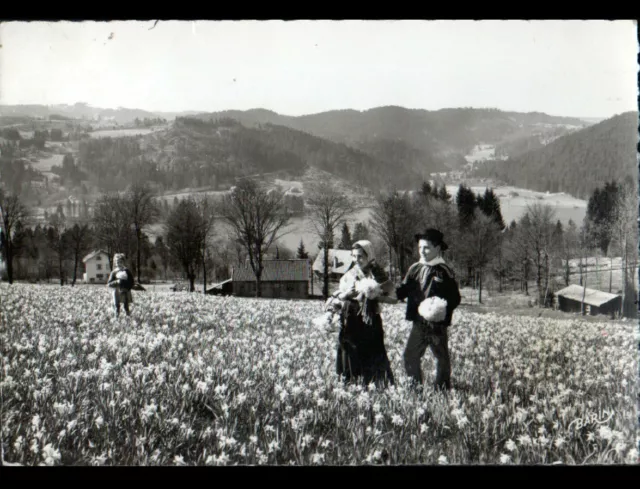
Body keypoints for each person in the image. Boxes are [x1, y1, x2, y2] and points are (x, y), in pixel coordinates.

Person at [396, 229, 461, 392]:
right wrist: (385, 291)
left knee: (441, 357)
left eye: (427, 248)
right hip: (419, 322)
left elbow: (455, 298)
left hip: (437, 324)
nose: (422, 251)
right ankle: (415, 388)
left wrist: (441, 309)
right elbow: (402, 291)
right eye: (420, 248)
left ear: (438, 248)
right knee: (410, 355)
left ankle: (442, 389)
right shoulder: (415, 269)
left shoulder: (443, 271)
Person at [331, 240, 396, 388]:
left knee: (373, 348)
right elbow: (339, 295)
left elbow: (393, 296)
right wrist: (347, 294)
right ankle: (352, 382)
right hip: (351, 316)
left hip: (370, 317)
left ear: (369, 255)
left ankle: (375, 383)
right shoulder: (350, 273)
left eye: (360, 256)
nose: (356, 260)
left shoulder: (377, 272)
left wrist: (375, 295)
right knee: (351, 349)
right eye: (354, 256)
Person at [107, 253, 134, 317]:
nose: (119, 263)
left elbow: (132, 282)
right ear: (115, 263)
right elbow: (109, 284)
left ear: (123, 262)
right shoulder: (114, 272)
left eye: (120, 262)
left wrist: (126, 284)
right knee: (117, 306)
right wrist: (117, 282)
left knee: (126, 306)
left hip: (126, 290)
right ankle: (117, 318)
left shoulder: (127, 271)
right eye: (117, 262)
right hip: (116, 291)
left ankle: (128, 317)